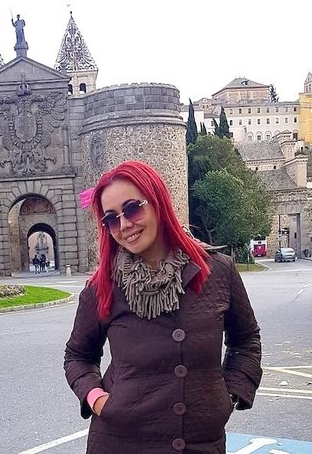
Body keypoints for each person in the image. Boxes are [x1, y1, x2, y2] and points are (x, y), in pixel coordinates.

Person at [64, 160, 262, 454]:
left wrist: (230, 394)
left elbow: (246, 340)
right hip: (120, 442)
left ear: (157, 202)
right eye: (112, 219)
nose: (124, 225)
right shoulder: (103, 286)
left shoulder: (217, 271)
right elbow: (78, 356)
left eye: (133, 208)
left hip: (201, 444)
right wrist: (97, 399)